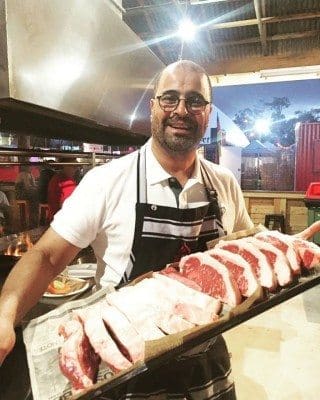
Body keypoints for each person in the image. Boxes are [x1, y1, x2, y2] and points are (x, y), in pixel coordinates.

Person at [0, 60, 256, 398]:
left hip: (205, 365)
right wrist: (6, 314)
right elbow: (47, 256)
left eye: (195, 100)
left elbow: (247, 250)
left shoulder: (224, 183)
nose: (181, 109)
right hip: (125, 368)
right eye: (169, 98)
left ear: (207, 113)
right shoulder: (107, 181)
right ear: (153, 107)